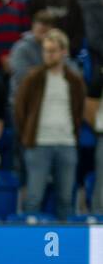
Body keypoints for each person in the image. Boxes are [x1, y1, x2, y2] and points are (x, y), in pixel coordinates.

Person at [14, 28, 85, 217]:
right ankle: (29, 238)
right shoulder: (33, 78)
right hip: (39, 143)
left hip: (67, 142)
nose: (48, 55)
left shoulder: (74, 80)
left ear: (64, 52)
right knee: (34, 197)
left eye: (53, 50)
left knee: (65, 198)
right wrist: (27, 134)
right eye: (45, 50)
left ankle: (64, 242)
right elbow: (20, 109)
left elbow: (79, 110)